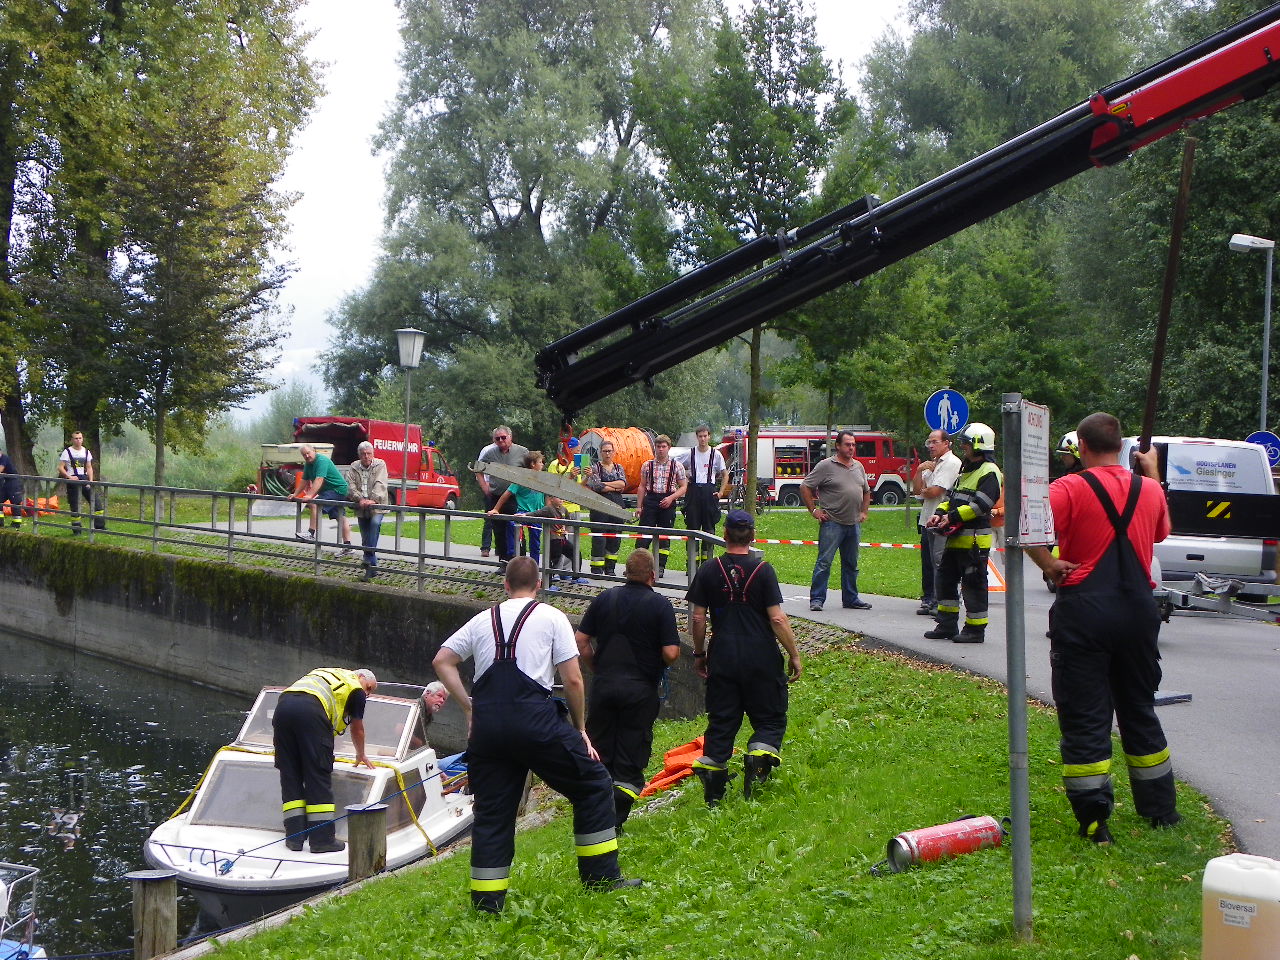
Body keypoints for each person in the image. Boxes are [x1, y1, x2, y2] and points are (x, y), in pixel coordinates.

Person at [432, 557, 640, 912]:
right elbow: (573, 680)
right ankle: (601, 878)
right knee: (593, 783)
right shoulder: (552, 617)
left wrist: (469, 708)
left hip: (488, 730)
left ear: (505, 585)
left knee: (493, 813)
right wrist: (581, 729)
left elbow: (442, 661)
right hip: (535, 724)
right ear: (539, 585)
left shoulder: (483, 620)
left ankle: (486, 903)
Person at [1028, 413, 1179, 845]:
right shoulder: (1149, 490)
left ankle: (1095, 821)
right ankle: (1161, 811)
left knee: (1085, 715)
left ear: (1082, 447)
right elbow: (1162, 532)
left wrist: (1049, 563)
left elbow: (1028, 529)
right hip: (1138, 611)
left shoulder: (1067, 488)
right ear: (1121, 446)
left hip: (1085, 612)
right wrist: (1152, 473)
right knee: (1139, 708)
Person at [686, 510, 802, 805]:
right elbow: (777, 619)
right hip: (761, 657)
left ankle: (714, 791)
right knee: (770, 718)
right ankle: (758, 763)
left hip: (723, 656)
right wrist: (794, 654)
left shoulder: (708, 570)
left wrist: (699, 653)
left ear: (724, 534)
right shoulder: (763, 571)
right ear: (753, 536)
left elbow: (698, 618)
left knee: (722, 720)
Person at [574, 549, 680, 831]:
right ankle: (616, 821)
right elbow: (671, 652)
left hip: (604, 686)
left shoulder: (604, 599)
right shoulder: (660, 605)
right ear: (652, 576)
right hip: (640, 690)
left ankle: (598, 815)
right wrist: (658, 663)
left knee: (600, 751)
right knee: (631, 754)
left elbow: (581, 640)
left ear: (626, 573)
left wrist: (597, 667)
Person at [272, 666, 378, 853]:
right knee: (317, 775)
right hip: (311, 711)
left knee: (290, 774)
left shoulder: (330, 674)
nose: (367, 694)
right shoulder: (355, 689)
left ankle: (294, 838)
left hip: (283, 707)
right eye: (369, 688)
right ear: (361, 677)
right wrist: (361, 754)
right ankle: (322, 840)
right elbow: (357, 728)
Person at [924, 422, 1002, 644]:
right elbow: (951, 498)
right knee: (945, 581)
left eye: (966, 443)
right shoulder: (966, 470)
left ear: (978, 445)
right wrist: (939, 514)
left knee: (973, 586)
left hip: (974, 542)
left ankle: (975, 630)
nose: (963, 447)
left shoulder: (990, 471)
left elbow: (982, 504)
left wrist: (952, 517)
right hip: (956, 539)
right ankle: (946, 624)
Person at [800, 430, 872, 612]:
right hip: (832, 523)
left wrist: (864, 512)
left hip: (853, 523)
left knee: (851, 564)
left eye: (853, 445)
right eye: (847, 444)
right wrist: (814, 510)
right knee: (824, 562)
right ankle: (817, 599)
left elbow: (866, 491)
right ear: (838, 446)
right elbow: (805, 486)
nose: (851, 448)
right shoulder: (826, 466)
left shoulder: (859, 466)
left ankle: (851, 598)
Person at [911, 429, 962, 616]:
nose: (930, 446)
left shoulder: (951, 463)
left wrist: (926, 490)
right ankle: (930, 598)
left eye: (935, 442)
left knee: (941, 562)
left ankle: (944, 601)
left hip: (942, 521)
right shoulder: (931, 464)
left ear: (946, 443)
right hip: (927, 519)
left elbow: (935, 492)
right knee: (929, 563)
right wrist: (919, 470)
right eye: (929, 442)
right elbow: (917, 491)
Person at [475, 426, 529, 565]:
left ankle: (520, 562)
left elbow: (532, 470)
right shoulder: (490, 453)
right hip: (496, 496)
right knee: (499, 530)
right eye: (497, 438)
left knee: (516, 529)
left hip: (515, 498)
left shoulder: (522, 452)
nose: (501, 440)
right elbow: (477, 469)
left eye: (503, 437)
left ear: (510, 437)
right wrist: (485, 487)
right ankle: (504, 562)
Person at [637, 435, 687, 579]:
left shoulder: (677, 466)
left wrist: (671, 498)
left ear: (668, 448)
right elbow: (642, 486)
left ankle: (660, 567)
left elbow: (683, 487)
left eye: (663, 446)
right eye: (658, 447)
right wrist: (639, 506)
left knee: (664, 537)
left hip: (668, 501)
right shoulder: (647, 465)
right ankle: (639, 567)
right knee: (644, 535)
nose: (660, 449)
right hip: (651, 501)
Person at [488, 450, 550, 561]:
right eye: (540, 462)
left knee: (535, 542)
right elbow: (506, 494)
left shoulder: (543, 479)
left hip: (537, 513)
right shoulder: (521, 479)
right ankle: (512, 553)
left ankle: (534, 565)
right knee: (512, 523)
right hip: (523, 512)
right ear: (533, 464)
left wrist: (548, 511)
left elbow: (550, 495)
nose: (542, 465)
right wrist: (496, 509)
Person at [680, 425, 728, 563]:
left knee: (709, 530)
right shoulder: (690, 453)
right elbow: (675, 465)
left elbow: (725, 474)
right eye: (700, 436)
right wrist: (685, 476)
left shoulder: (716, 454)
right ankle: (692, 564)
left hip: (709, 493)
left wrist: (721, 492)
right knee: (692, 528)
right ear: (697, 437)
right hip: (693, 493)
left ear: (709, 437)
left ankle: (707, 564)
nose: (702, 439)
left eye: (705, 436)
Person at [292, 444, 353, 553]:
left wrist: (309, 495)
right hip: (328, 491)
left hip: (337, 489)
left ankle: (311, 533)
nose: (307, 456)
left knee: (314, 504)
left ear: (314, 451)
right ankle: (348, 546)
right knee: (340, 517)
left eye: (308, 453)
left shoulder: (322, 461)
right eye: (304, 455)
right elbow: (304, 480)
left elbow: (319, 479)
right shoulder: (308, 464)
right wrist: (295, 494)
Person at [584, 440, 628, 577]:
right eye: (605, 451)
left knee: (615, 536)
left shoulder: (618, 467)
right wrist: (614, 487)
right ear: (600, 452)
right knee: (599, 537)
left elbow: (623, 484)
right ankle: (597, 568)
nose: (607, 454)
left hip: (617, 504)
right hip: (599, 506)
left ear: (613, 452)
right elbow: (597, 487)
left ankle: (610, 568)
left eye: (609, 451)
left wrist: (605, 484)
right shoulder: (595, 467)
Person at [348, 441, 389, 579]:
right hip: (361, 506)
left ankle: (367, 557)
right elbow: (350, 485)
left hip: (377, 506)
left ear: (373, 453)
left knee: (375, 524)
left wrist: (374, 499)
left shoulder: (380, 464)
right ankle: (372, 570)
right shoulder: (354, 466)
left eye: (369, 453)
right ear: (359, 455)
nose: (366, 456)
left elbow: (381, 483)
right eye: (363, 454)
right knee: (365, 537)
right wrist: (359, 498)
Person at [57, 431, 105, 533]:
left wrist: (90, 481)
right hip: (73, 481)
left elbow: (89, 467)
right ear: (72, 440)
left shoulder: (86, 452)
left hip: (85, 479)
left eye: (80, 438)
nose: (78, 440)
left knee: (96, 502)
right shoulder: (67, 452)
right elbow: (60, 467)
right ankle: (77, 530)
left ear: (82, 439)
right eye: (76, 438)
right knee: (75, 506)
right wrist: (69, 477)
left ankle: (100, 526)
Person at [0, 445, 24, 529]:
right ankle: (0, 522)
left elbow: (0, 469)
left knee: (15, 502)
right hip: (6, 482)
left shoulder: (4, 458)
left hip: (14, 482)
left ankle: (16, 523)